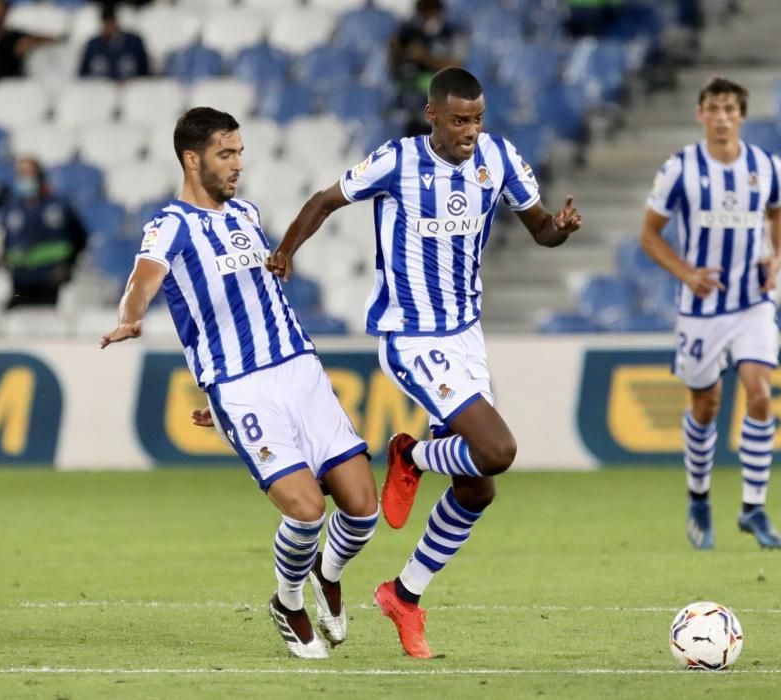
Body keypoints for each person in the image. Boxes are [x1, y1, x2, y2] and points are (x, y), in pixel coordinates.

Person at [266, 67, 583, 658]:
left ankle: (404, 595)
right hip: (410, 335)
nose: (471, 130)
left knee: (477, 489)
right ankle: (409, 454)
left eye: (478, 118)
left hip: (466, 336)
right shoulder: (398, 161)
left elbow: (539, 228)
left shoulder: (500, 157)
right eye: (460, 120)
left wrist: (559, 230)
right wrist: (285, 251)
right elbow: (325, 200)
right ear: (432, 115)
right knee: (499, 451)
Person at [100, 107, 380, 660]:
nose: (237, 165)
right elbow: (143, 279)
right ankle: (287, 600)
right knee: (305, 510)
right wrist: (133, 315)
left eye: (240, 153)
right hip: (243, 386)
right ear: (191, 158)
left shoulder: (248, 213)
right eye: (226, 154)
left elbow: (254, 292)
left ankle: (327, 573)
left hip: (300, 369)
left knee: (363, 509)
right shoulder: (170, 225)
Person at [639, 76, 781, 551]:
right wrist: (686, 273)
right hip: (701, 310)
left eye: (730, 109)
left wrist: (776, 259)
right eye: (714, 108)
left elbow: (778, 217)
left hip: (752, 303)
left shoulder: (766, 167)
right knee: (707, 406)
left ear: (741, 115)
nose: (722, 117)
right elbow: (650, 235)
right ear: (700, 113)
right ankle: (699, 499)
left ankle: (753, 508)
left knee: (760, 393)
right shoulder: (680, 169)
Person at [0, 156, 87, 309]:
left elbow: (80, 237)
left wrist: (67, 265)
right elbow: (7, 241)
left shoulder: (59, 206)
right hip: (20, 281)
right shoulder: (12, 208)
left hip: (50, 281)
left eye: (29, 174)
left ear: (39, 176)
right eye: (21, 174)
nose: (25, 179)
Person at [388, 0, 466, 138]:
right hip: (412, 105)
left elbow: (456, 66)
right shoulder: (410, 33)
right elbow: (395, 67)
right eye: (424, 12)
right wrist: (397, 51)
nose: (428, 17)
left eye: (431, 11)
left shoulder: (452, 34)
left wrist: (424, 56)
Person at [78, 3, 149, 81]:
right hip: (100, 90)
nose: (109, 28)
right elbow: (83, 76)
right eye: (106, 23)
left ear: (117, 22)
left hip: (132, 89)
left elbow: (145, 74)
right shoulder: (92, 45)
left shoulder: (134, 42)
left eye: (111, 23)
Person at [0, 0, 58, 80]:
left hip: (10, 87)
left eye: (0, 12)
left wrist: (32, 41)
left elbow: (53, 40)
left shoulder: (12, 38)